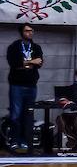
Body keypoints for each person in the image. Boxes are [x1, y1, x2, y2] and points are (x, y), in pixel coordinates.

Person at [6, 24, 43, 153]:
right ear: (21, 32)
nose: (30, 33)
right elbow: (14, 63)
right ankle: (14, 141)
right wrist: (31, 62)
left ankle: (26, 141)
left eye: (31, 31)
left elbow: (39, 62)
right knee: (15, 114)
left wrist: (26, 62)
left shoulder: (36, 47)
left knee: (28, 114)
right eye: (27, 31)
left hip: (31, 85)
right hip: (17, 85)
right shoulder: (14, 47)